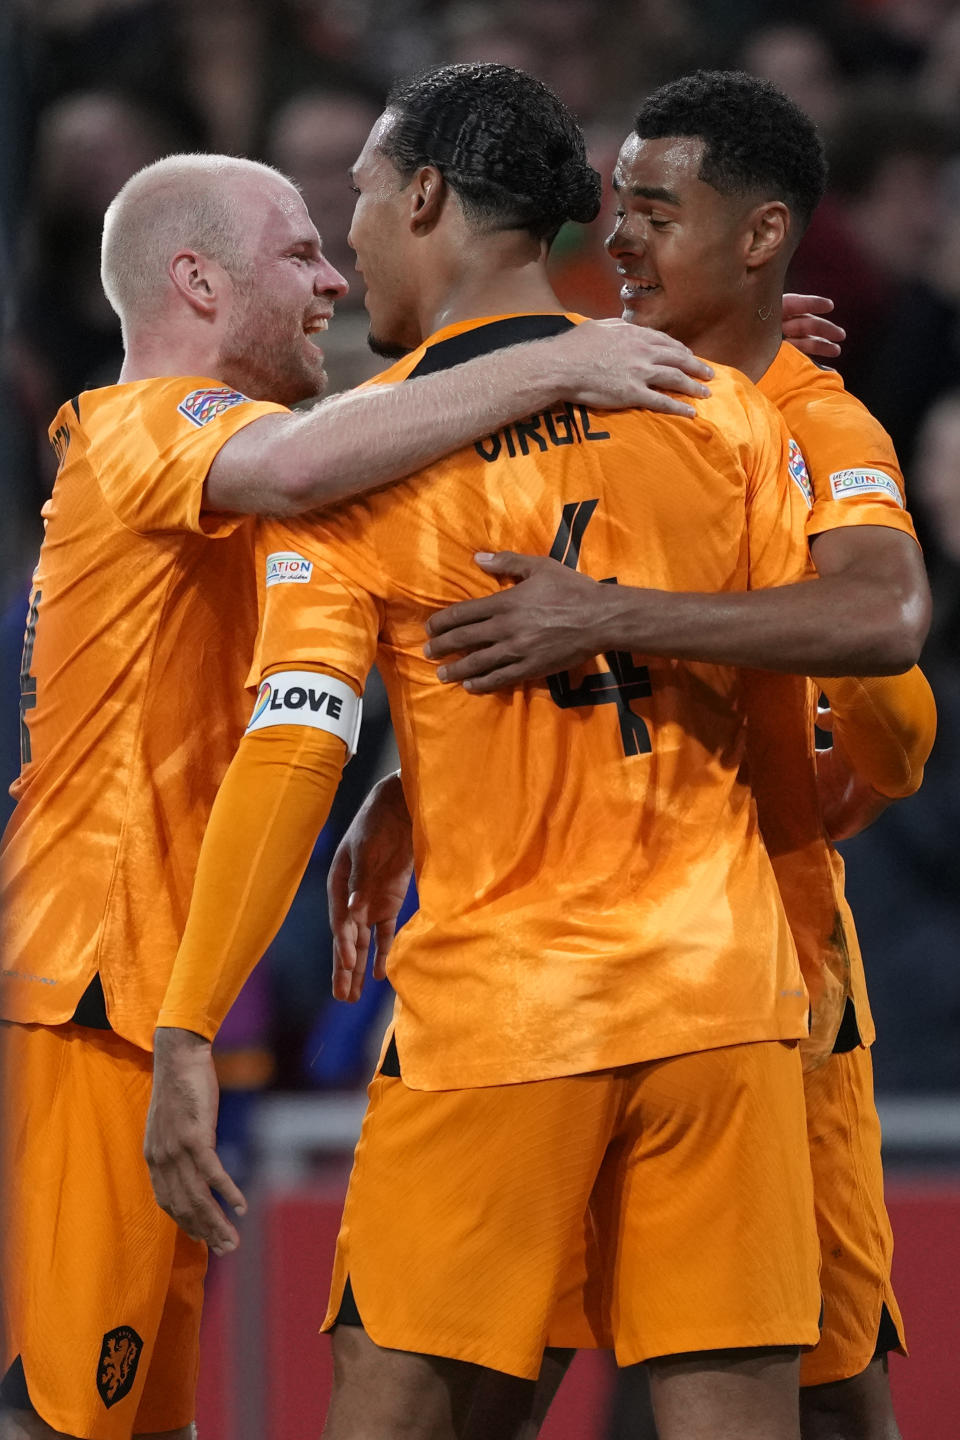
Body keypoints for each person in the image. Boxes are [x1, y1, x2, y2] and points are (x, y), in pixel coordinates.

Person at [147, 62, 829, 1440]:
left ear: (426, 195)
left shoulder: (360, 463)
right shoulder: (724, 413)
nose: (348, 247)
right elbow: (820, 717)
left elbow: (292, 750)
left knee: (398, 1413)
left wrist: (186, 1021)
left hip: (503, 1018)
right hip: (725, 1005)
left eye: (357, 203)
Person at [0, 149, 710, 1440]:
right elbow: (307, 465)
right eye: (299, 254)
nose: (333, 275)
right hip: (94, 982)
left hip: (140, 980)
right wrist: (565, 356)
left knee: (130, 1418)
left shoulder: (191, 473)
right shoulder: (154, 427)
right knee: (64, 1419)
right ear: (197, 282)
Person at [374, 70, 935, 1440]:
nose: (615, 240)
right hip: (552, 974)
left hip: (764, 970)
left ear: (758, 240)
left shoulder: (812, 418)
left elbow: (891, 645)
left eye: (653, 212)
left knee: (824, 1384)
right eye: (612, 208)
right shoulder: (588, 383)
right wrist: (417, 772)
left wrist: (618, 621)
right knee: (469, 1377)